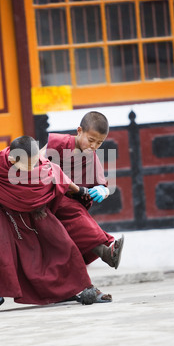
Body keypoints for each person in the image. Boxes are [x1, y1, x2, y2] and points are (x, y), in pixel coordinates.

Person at [0, 136, 101, 314]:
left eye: (36, 163)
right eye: (29, 166)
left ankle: (77, 288)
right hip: (7, 214)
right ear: (12, 160)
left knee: (62, 245)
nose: (34, 168)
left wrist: (80, 191)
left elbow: (59, 176)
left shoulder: (39, 163)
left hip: (37, 212)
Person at [41, 111, 124, 274]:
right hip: (48, 196)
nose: (93, 146)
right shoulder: (60, 142)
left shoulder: (91, 156)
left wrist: (103, 190)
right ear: (79, 131)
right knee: (76, 214)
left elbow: (103, 184)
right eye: (91, 140)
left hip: (69, 200)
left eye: (99, 143)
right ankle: (106, 250)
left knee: (81, 217)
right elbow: (38, 160)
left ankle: (107, 250)